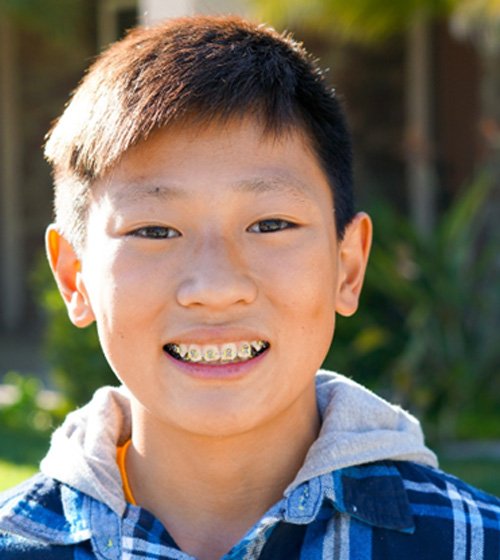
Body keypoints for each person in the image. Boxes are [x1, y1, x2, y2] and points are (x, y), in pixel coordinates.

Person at [0, 14, 498, 560]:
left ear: (347, 267)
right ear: (74, 277)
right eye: (154, 230)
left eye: (270, 225)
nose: (216, 287)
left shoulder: (471, 542)